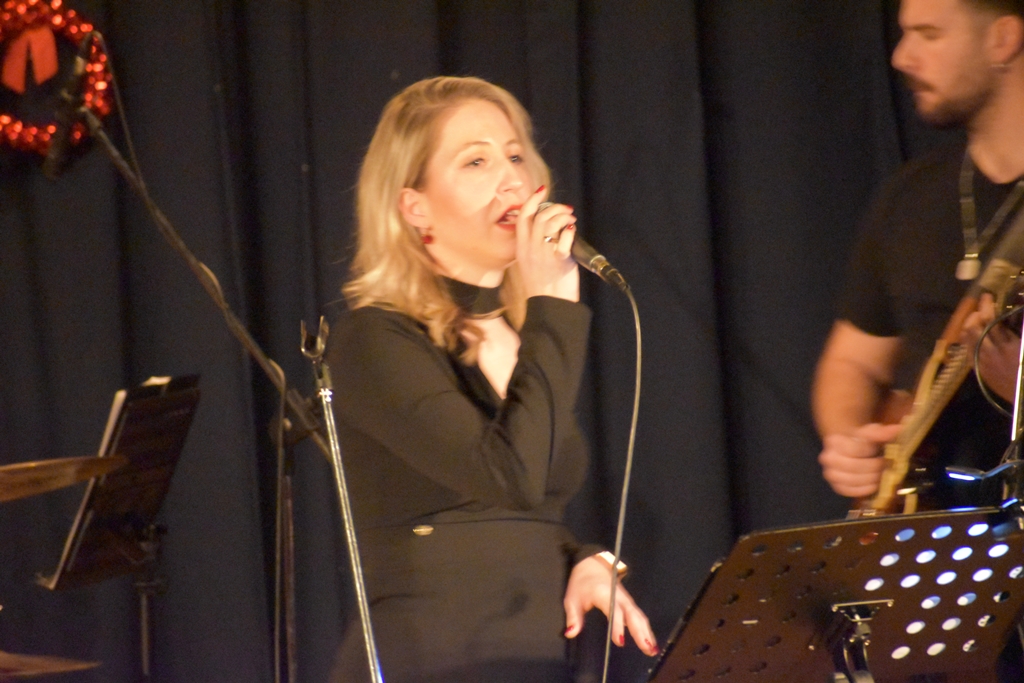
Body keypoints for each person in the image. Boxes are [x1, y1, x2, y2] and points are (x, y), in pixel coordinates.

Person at [325, 76, 657, 683]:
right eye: (476, 162)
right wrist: (553, 304)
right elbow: (507, 476)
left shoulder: (518, 332)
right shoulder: (375, 340)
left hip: (538, 659)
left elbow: (526, 508)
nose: (512, 180)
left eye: (515, 156)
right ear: (414, 206)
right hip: (434, 663)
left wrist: (580, 559)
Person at [814, 0, 1024, 507]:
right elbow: (852, 362)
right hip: (929, 532)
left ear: (1002, 39)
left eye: (929, 34)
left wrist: (1017, 387)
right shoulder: (910, 195)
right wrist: (850, 441)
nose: (901, 57)